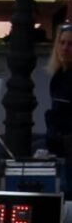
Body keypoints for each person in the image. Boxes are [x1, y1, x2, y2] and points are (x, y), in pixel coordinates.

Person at [46, 22, 72, 158]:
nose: (65, 48)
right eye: (62, 43)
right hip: (58, 143)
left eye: (70, 44)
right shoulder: (58, 76)